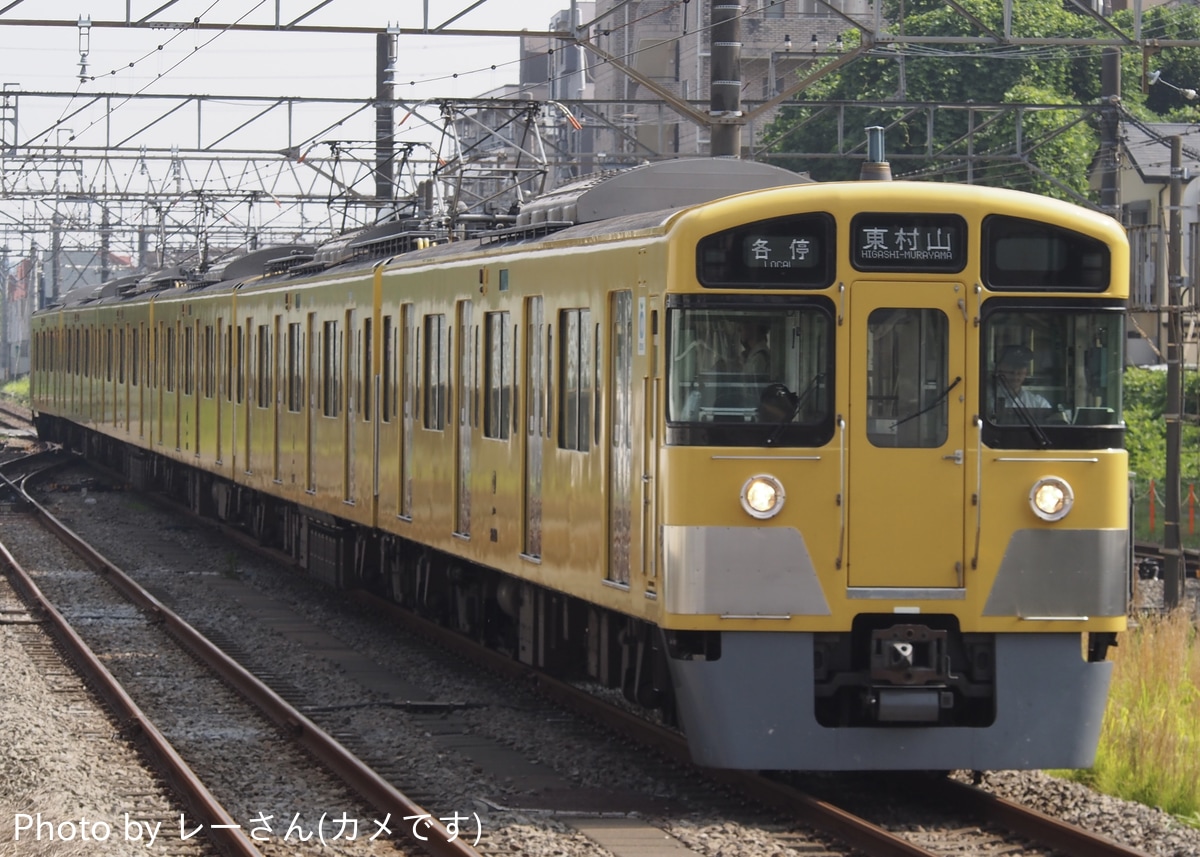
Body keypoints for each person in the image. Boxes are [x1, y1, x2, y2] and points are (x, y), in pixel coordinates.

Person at [993, 344, 1050, 419]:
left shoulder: (1039, 403)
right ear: (999, 368)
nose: (1015, 372)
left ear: (1026, 371)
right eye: (1010, 365)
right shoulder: (988, 400)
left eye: (1021, 366)